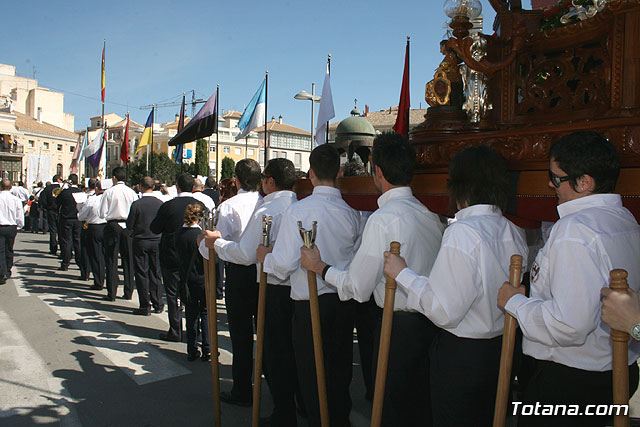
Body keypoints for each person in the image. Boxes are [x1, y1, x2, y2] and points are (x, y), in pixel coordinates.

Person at [300, 133, 445, 426]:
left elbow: (358, 287)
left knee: (394, 408)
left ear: (377, 171)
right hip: (428, 329)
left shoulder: (384, 218)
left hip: (398, 328)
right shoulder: (430, 216)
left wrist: (321, 268)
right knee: (419, 409)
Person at [497, 131, 640, 427]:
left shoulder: (575, 230)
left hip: (570, 381)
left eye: (556, 177)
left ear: (584, 182)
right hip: (617, 370)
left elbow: (569, 326)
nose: (551, 184)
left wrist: (514, 302)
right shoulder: (625, 218)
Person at [382, 145, 528, 426]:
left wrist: (403, 274)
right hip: (500, 349)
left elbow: (444, 310)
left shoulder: (463, 232)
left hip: (464, 356)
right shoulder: (512, 229)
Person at [257, 144, 361, 427]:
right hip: (341, 301)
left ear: (311, 174)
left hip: (311, 305)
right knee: (339, 373)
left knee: (313, 377)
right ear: (338, 173)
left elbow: (283, 264)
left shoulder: (299, 211)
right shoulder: (352, 214)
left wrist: (265, 259)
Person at [202, 158, 299, 425]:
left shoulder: (264, 209)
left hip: (270, 281)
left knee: (268, 347)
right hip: (294, 286)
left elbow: (246, 253)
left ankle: (281, 408)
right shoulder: (297, 205)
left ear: (269, 181)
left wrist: (216, 243)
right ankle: (298, 402)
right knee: (289, 349)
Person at [208, 158, 262, 406]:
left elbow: (219, 242)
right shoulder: (264, 202)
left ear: (237, 179)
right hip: (264, 272)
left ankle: (243, 389)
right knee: (266, 333)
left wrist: (209, 242)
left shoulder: (230, 206)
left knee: (240, 335)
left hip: (241, 272)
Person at [150, 173, 203, 342]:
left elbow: (155, 228)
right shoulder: (200, 205)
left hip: (171, 255)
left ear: (178, 187)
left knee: (172, 294)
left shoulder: (169, 205)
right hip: (194, 257)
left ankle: (175, 329)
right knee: (193, 295)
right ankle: (194, 329)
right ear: (193, 188)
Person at [175, 203, 210, 361]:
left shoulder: (179, 234)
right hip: (202, 278)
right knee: (205, 313)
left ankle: (191, 348)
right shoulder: (201, 235)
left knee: (190, 314)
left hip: (187, 279)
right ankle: (207, 348)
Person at [99, 167, 138, 301]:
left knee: (111, 259)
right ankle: (128, 291)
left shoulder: (109, 192)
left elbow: (102, 213)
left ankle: (111, 293)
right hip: (128, 226)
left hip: (113, 224)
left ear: (114, 178)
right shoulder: (132, 192)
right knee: (128, 260)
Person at [126, 176, 164, 316]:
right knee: (156, 272)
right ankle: (158, 302)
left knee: (141, 272)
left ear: (141, 187)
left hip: (141, 240)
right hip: (156, 240)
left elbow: (130, 225)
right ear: (153, 187)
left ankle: (144, 305)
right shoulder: (160, 203)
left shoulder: (137, 204)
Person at [78, 179, 106, 290]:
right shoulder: (109, 198)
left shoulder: (92, 200)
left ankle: (99, 281)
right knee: (107, 256)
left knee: (96, 255)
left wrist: (79, 207)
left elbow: (81, 216)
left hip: (95, 227)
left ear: (97, 189)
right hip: (107, 227)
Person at [55, 174, 85, 275]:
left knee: (66, 241)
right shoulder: (81, 193)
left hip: (66, 219)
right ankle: (80, 262)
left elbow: (57, 204)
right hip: (78, 219)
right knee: (78, 241)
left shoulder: (65, 192)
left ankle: (65, 262)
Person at [0, 179, 24, 284]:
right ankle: (8, 269)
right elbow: (20, 215)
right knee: (9, 248)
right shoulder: (16, 200)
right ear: (10, 188)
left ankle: (3, 272)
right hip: (12, 226)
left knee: (1, 250)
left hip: (1, 226)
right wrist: (19, 226)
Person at [39, 175, 63, 255]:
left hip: (51, 211)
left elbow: (42, 200)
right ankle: (63, 249)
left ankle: (53, 249)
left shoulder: (47, 188)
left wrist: (48, 207)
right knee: (61, 231)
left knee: (53, 231)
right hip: (60, 211)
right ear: (58, 180)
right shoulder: (62, 188)